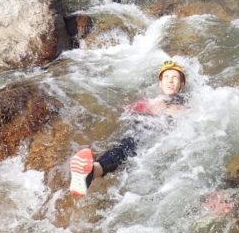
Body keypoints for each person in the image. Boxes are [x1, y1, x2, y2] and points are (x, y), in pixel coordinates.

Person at [69, 60, 188, 197]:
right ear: (160, 83)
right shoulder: (147, 103)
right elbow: (123, 115)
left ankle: (91, 172)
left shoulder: (187, 106)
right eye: (166, 77)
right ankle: (92, 171)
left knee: (129, 147)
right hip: (142, 132)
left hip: (161, 139)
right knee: (127, 145)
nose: (170, 81)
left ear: (182, 84)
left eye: (175, 78)